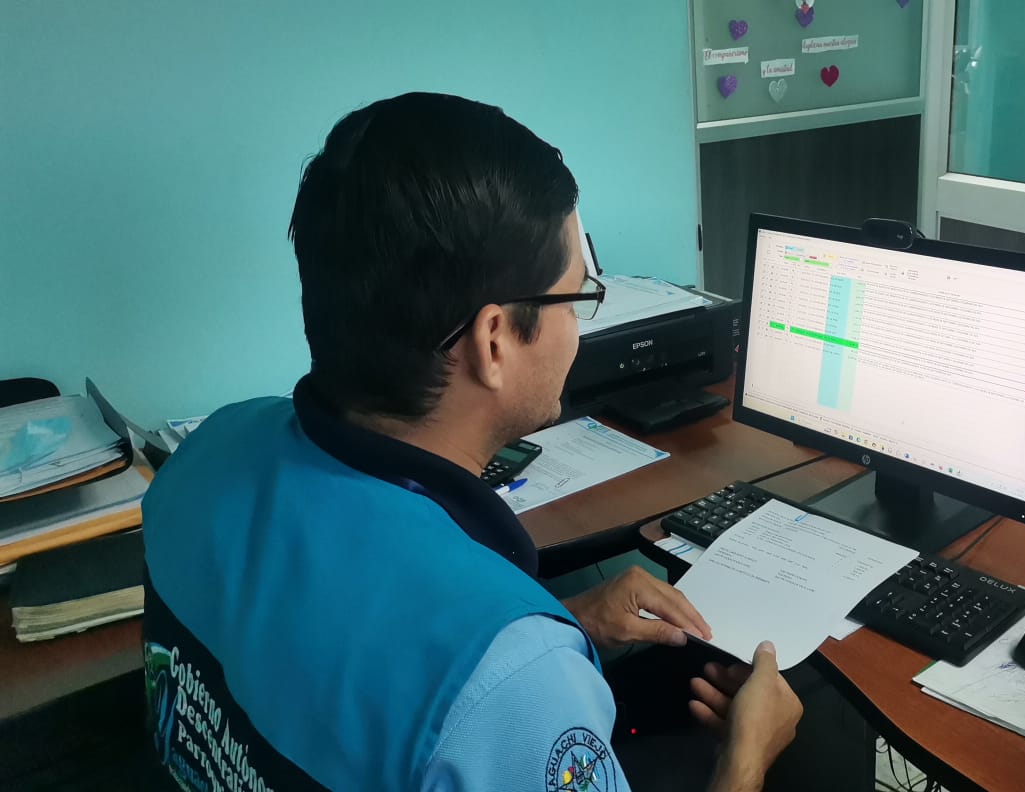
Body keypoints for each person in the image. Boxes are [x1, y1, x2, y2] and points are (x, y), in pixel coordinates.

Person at [141, 91, 802, 791]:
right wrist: (747, 756)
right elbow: (469, 695)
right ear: (493, 341)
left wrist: (556, 624)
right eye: (577, 297)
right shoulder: (516, 679)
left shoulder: (207, 452)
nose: (579, 329)